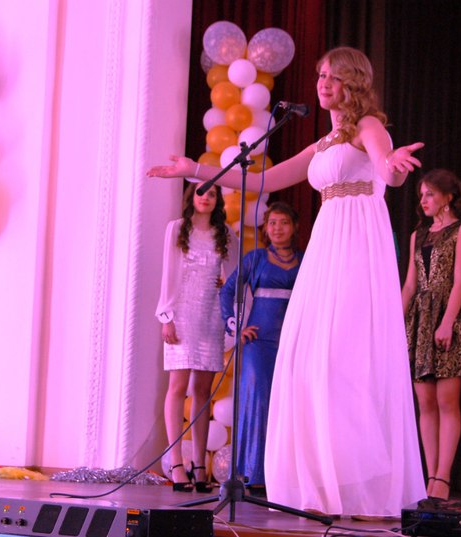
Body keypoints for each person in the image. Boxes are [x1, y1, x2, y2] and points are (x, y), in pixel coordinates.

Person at [148, 46, 426, 517]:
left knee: (346, 361)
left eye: (333, 77)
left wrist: (394, 166)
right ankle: (328, 483)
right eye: (320, 75)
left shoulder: (368, 127)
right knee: (312, 364)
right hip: (325, 250)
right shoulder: (324, 143)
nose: (323, 83)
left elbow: (387, 170)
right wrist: (195, 170)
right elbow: (263, 181)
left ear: (354, 82)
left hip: (356, 250)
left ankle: (364, 487)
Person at [401, 169, 461, 501]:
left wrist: (447, 322)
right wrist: (395, 323)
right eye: (421, 195)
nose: (423, 200)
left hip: (449, 316)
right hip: (420, 320)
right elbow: (410, 284)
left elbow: (460, 280)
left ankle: (444, 476)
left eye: (430, 194)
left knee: (446, 401)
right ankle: (430, 475)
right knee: (425, 402)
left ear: (448, 197)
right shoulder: (418, 234)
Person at [156, 181, 238, 493]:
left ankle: (200, 465)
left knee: (203, 390)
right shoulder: (178, 228)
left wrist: (225, 287)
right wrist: (166, 315)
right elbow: (168, 273)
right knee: (178, 387)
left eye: (213, 193)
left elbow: (234, 274)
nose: (206, 197)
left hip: (211, 315)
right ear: (192, 197)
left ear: (218, 200)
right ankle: (177, 463)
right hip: (182, 314)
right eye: (201, 192)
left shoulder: (225, 233)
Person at [219, 201, 303, 495]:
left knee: (289, 404)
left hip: (292, 342)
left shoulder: (305, 260)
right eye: (272, 223)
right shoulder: (255, 258)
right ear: (266, 228)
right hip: (259, 343)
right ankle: (254, 473)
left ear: (294, 227)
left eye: (284, 222)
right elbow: (227, 290)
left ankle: (284, 474)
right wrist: (234, 326)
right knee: (258, 400)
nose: (278, 228)